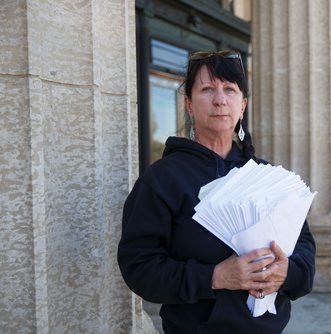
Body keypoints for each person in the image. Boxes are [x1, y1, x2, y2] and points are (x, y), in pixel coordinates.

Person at [117, 50, 316, 334]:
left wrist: (289, 273)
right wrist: (215, 277)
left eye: (230, 90)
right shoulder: (161, 180)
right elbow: (139, 267)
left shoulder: (267, 175)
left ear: (243, 105)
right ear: (188, 104)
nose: (220, 100)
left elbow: (305, 246)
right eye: (207, 89)